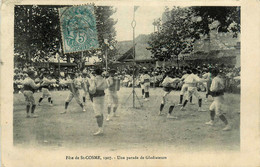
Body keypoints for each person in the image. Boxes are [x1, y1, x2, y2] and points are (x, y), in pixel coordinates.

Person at [88, 68, 108, 136]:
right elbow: (106, 86)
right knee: (101, 112)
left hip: (96, 96)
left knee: (97, 113)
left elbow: (92, 89)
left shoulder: (94, 79)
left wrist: (90, 91)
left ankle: (100, 129)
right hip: (102, 96)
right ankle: (101, 128)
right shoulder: (103, 79)